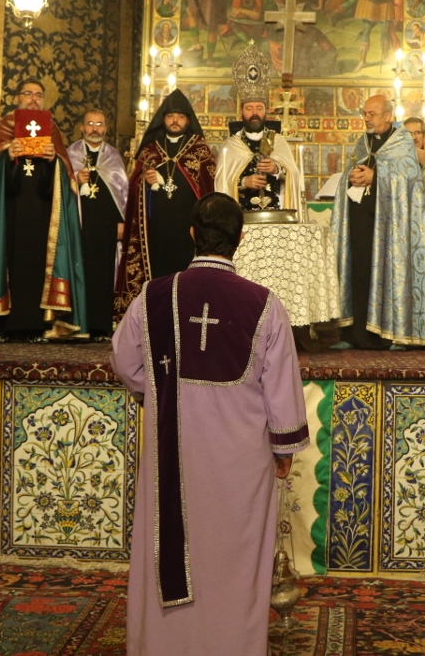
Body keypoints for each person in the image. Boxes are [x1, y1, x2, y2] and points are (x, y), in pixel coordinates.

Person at [112, 193, 308, 656]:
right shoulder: (264, 304)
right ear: (240, 239)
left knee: (170, 550)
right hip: (242, 466)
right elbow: (282, 387)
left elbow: (124, 361)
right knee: (236, 560)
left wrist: (157, 392)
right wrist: (283, 450)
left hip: (172, 455)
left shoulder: (152, 297)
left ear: (192, 234)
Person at [0, 80, 87, 342]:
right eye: (28, 94)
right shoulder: (2, 127)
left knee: (38, 265)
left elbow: (65, 180)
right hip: (8, 213)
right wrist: (7, 156)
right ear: (17, 97)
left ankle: (36, 326)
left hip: (41, 214)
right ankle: (1, 326)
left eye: (38, 95)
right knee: (7, 260)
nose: (33, 99)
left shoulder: (52, 130)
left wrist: (53, 161)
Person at [330, 94, 425, 349]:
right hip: (360, 222)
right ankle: (353, 335)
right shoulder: (362, 142)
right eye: (365, 114)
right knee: (359, 273)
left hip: (390, 227)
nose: (367, 118)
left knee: (387, 275)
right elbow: (351, 171)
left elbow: (409, 179)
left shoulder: (401, 142)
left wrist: (375, 177)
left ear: (388, 116)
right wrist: (351, 177)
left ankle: (391, 334)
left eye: (372, 114)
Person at [115, 89, 217, 320]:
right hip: (156, 230)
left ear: (188, 120)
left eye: (180, 116)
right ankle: (154, 316)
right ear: (163, 119)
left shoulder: (200, 150)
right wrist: (146, 183)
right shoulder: (150, 150)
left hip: (188, 230)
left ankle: (187, 315)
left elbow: (208, 187)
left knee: (185, 273)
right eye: (170, 116)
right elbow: (134, 187)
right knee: (158, 275)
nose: (175, 120)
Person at [67, 109, 128, 342]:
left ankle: (101, 326)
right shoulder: (71, 154)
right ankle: (78, 325)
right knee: (79, 271)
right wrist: (74, 179)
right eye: (90, 124)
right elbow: (60, 188)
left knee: (103, 274)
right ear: (82, 127)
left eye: (99, 124)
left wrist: (121, 221)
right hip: (79, 225)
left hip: (105, 227)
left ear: (106, 128)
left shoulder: (113, 157)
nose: (95, 129)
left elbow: (122, 192)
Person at [214, 81, 303, 211]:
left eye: (259, 108)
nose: (254, 113)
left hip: (275, 213)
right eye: (249, 108)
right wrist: (244, 182)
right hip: (240, 213)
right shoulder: (231, 145)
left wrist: (277, 169)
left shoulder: (278, 141)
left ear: (266, 111)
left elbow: (294, 175)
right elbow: (221, 182)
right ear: (241, 112)